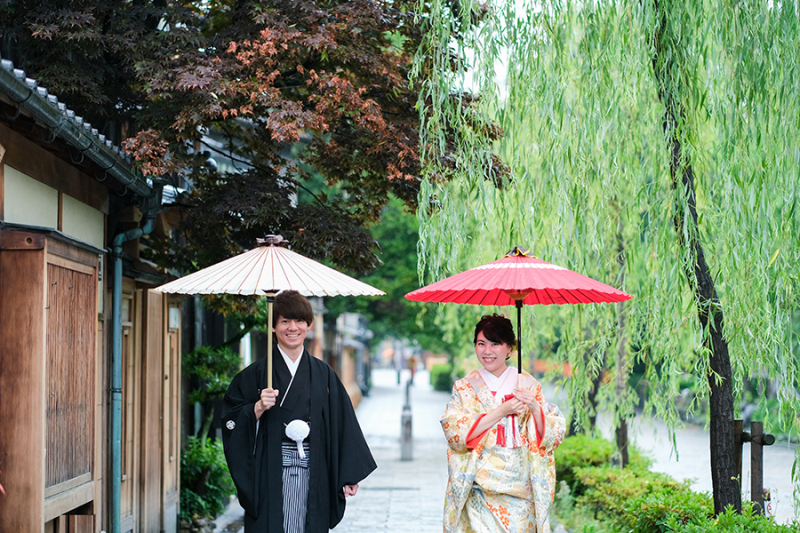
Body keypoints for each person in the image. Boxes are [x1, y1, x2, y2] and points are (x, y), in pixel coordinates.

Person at [221, 290, 377, 533]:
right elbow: (231, 419)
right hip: (270, 471)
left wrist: (348, 473)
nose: (292, 328)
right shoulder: (255, 374)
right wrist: (257, 408)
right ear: (273, 327)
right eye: (284, 321)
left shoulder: (323, 374)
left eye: (299, 321)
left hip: (315, 469)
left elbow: (342, 422)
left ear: (309, 325)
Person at [441, 314, 566, 533]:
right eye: (481, 343)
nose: (487, 351)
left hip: (520, 490)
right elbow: (455, 432)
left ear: (509, 349)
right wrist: (502, 411)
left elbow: (552, 434)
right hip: (478, 487)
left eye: (495, 343)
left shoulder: (528, 385)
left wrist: (535, 407)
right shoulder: (464, 387)